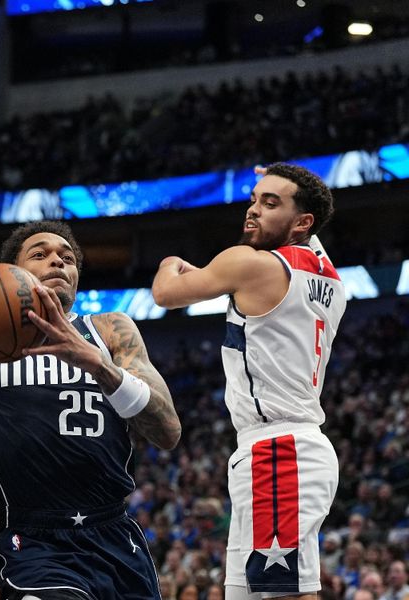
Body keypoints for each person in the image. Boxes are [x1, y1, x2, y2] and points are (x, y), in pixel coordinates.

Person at [0, 220, 181, 599]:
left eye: (68, 257)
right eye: (40, 254)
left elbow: (168, 431)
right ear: (11, 273)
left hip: (115, 534)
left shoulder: (109, 329)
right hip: (34, 541)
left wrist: (98, 365)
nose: (59, 262)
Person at [152, 163, 346, 600]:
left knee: (287, 595)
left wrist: (170, 262)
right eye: (254, 199)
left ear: (302, 221)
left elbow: (165, 294)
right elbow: (313, 224)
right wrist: (280, 178)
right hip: (282, 448)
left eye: (270, 203)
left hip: (279, 449)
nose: (253, 210)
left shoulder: (250, 264)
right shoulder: (330, 275)